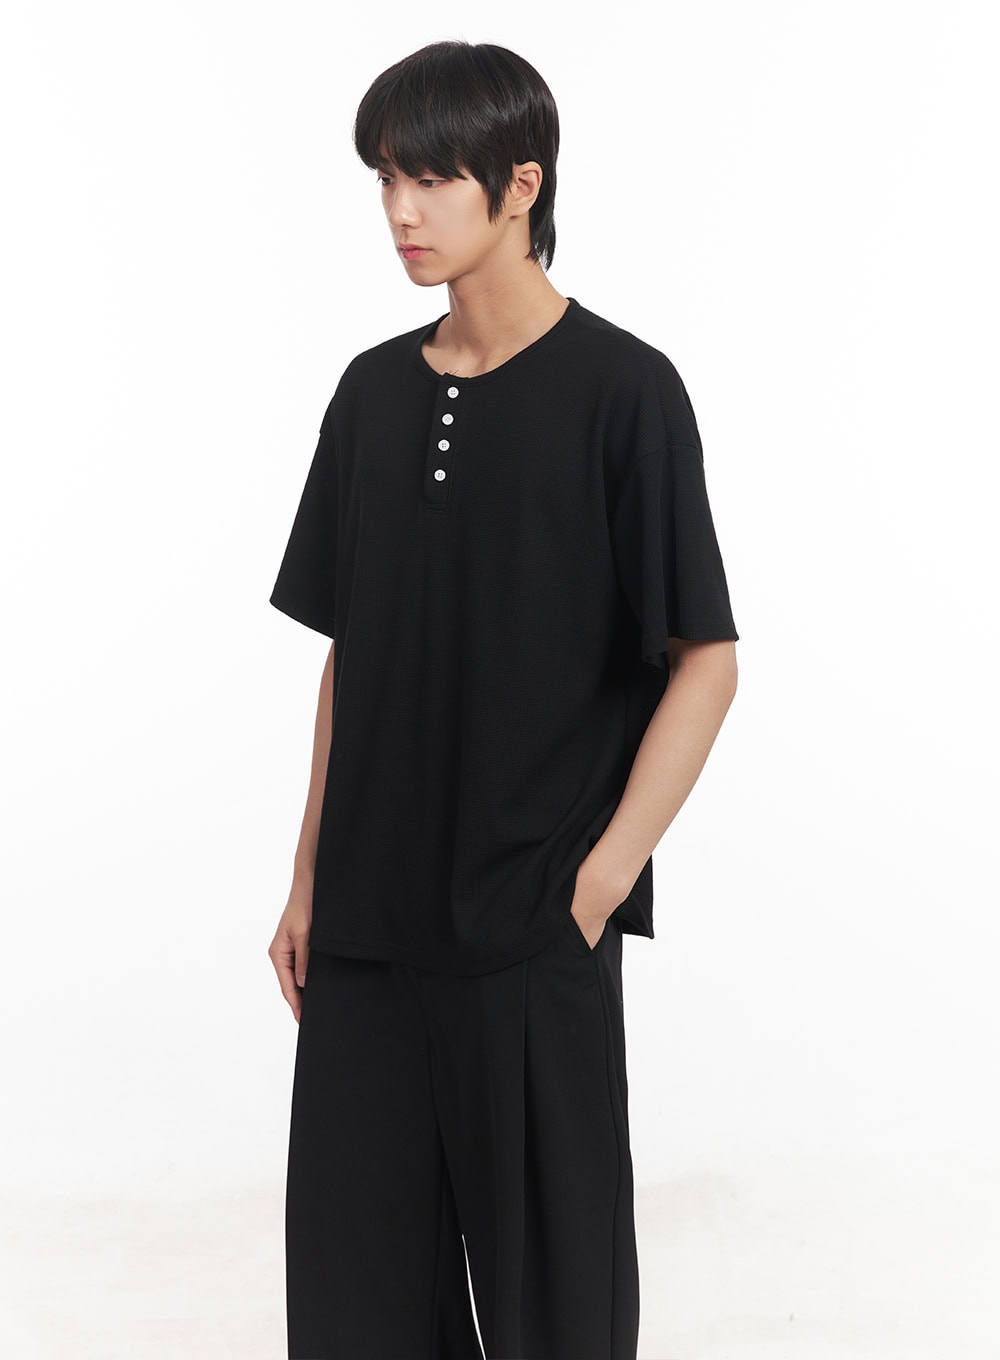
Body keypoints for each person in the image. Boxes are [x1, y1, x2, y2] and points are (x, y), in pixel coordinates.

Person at [267, 38, 740, 1360]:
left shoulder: (624, 394)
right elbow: (351, 654)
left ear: (520, 184)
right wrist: (307, 881)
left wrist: (597, 884)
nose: (401, 211)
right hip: (367, 934)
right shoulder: (370, 395)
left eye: (430, 178)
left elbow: (706, 658)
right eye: (385, 180)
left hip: (532, 932)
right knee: (356, 1310)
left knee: (558, 1312)